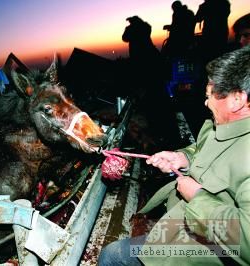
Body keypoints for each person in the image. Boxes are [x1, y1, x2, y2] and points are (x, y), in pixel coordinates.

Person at [99, 46, 250, 265]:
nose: (205, 103)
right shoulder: (221, 126)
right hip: (182, 223)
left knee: (112, 256)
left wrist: (197, 197)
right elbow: (202, 150)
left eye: (210, 96)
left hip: (209, 251)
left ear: (237, 99)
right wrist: (183, 158)